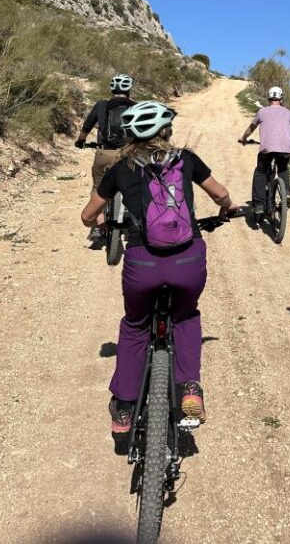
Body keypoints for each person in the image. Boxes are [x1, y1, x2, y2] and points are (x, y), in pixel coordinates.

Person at [80, 101, 239, 434]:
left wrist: (102, 223)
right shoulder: (187, 160)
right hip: (188, 261)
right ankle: (189, 389)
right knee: (186, 316)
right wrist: (227, 208)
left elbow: (87, 216)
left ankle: (124, 406)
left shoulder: (120, 170)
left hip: (143, 264)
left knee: (135, 325)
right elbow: (221, 194)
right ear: (166, 131)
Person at [75, 74, 137, 239]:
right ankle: (136, 222)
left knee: (98, 187)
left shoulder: (101, 106)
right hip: (129, 154)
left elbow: (87, 126)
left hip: (105, 153)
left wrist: (80, 141)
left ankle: (98, 225)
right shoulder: (137, 107)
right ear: (129, 89)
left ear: (112, 89)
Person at [238, 86, 290, 219]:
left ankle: (258, 205)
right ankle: (286, 193)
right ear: (281, 98)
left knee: (261, 172)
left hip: (267, 148)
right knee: (283, 168)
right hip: (286, 147)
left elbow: (251, 128)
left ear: (269, 98)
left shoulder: (262, 112)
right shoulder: (288, 112)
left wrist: (244, 138)